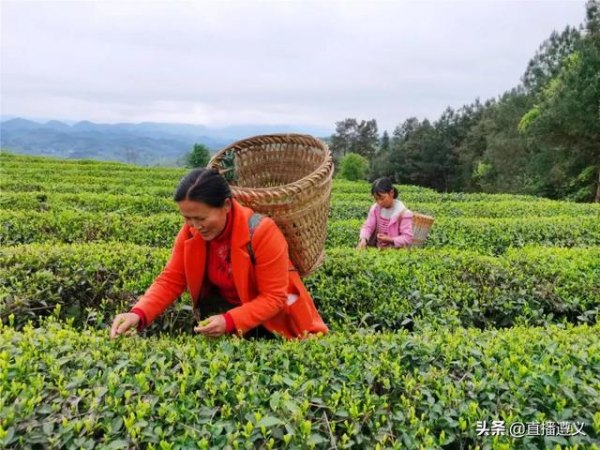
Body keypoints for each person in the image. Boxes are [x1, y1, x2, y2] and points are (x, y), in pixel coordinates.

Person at [110, 168, 328, 340]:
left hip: (273, 324)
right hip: (229, 314)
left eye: (201, 218)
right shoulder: (190, 232)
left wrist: (230, 321)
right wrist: (138, 314)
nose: (195, 226)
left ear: (226, 205)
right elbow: (172, 278)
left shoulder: (262, 232)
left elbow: (274, 297)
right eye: (187, 218)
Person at [357, 177, 413, 250]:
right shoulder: (375, 209)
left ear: (391, 193)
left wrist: (390, 240)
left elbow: (407, 238)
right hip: (377, 251)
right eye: (376, 199)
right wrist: (363, 239)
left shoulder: (403, 213)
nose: (379, 202)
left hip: (395, 255)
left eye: (382, 198)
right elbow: (368, 226)